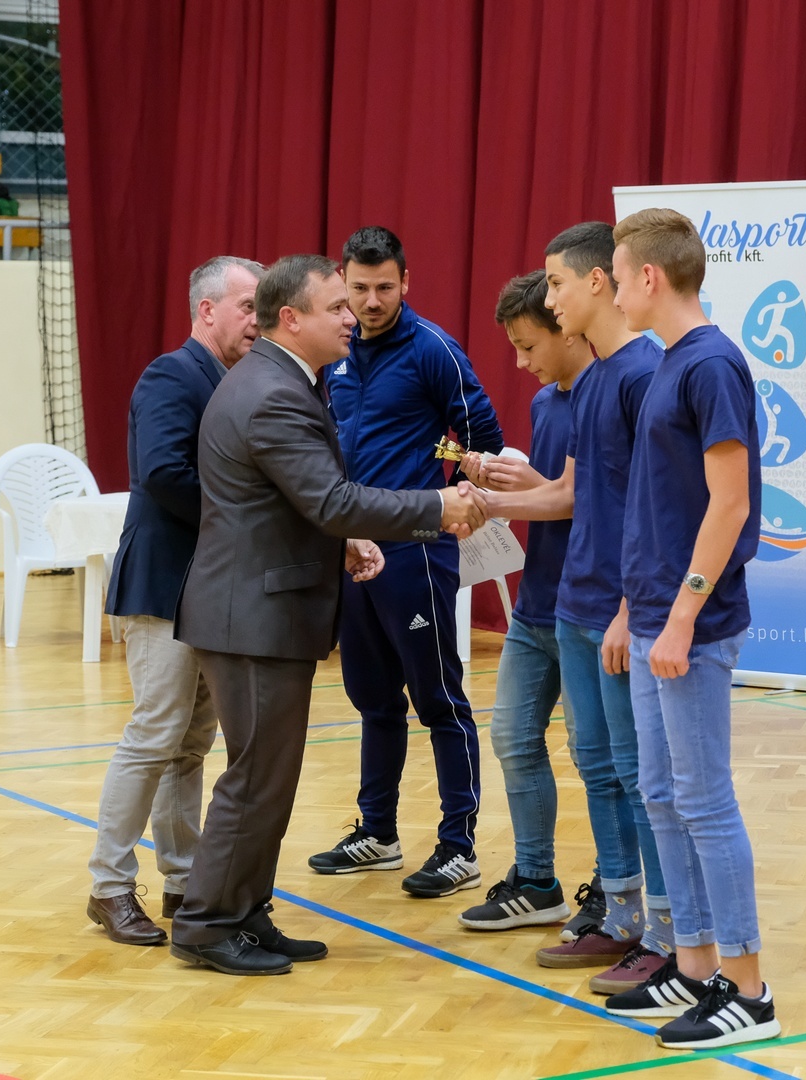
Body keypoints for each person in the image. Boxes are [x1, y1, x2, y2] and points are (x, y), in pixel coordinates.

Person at [170, 254, 487, 976]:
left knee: (270, 776)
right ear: (292, 319)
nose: (353, 317)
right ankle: (208, 922)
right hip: (251, 616)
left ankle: (245, 912)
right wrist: (437, 506)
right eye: (337, 306)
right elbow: (332, 500)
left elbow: (289, 502)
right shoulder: (273, 393)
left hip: (259, 607)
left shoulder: (282, 379)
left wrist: (340, 542)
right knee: (256, 777)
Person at [473, 223, 673, 989]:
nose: (549, 298)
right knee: (597, 764)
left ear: (597, 282)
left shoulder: (643, 375)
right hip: (572, 605)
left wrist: (629, 606)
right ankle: (620, 915)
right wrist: (484, 502)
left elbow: (655, 509)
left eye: (555, 283)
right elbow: (571, 492)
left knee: (636, 773)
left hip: (616, 612)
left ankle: (667, 932)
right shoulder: (588, 384)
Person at [599, 208, 779, 1050]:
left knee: (704, 800)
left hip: (691, 629)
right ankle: (697, 965)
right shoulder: (668, 363)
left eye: (616, 276)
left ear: (649, 277)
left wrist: (679, 618)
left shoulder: (710, 365)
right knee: (662, 795)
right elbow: (659, 505)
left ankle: (750, 990)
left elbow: (730, 503)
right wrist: (633, 610)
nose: (611, 292)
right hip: (651, 618)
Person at [307, 226, 504, 900]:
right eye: (359, 289)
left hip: (416, 551)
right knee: (372, 699)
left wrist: (440, 493)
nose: (371, 301)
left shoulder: (432, 349)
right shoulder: (334, 352)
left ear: (405, 283)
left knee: (439, 699)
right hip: (351, 550)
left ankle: (460, 847)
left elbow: (481, 439)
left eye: (384, 288)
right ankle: (378, 832)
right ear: (343, 284)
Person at [87, 256, 266, 947]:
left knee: (190, 743)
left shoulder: (230, 379)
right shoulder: (170, 375)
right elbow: (163, 473)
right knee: (155, 734)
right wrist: (247, 519)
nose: (257, 320)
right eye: (247, 306)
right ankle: (109, 886)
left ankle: (184, 878)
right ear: (206, 309)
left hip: (211, 588)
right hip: (164, 583)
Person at [454, 272, 596, 936]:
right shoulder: (545, 403)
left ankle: (617, 890)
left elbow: (582, 500)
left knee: (599, 759)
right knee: (512, 737)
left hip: (589, 605)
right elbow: (553, 499)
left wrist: (502, 497)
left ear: (566, 325)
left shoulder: (608, 392)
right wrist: (497, 488)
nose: (520, 362)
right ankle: (537, 881)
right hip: (538, 601)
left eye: (528, 345)